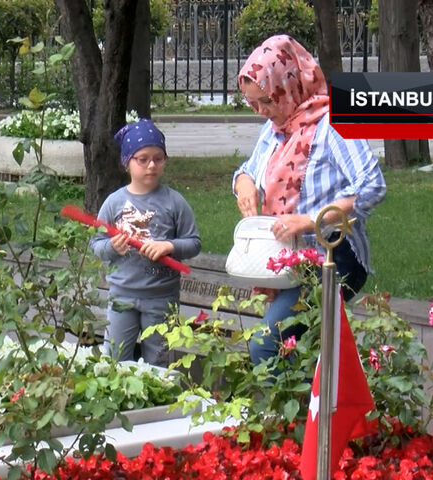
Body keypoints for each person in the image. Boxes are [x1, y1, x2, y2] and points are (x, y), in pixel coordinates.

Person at [232, 35, 387, 365]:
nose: (260, 111)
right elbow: (246, 170)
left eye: (265, 101)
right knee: (291, 351)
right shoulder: (277, 127)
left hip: (331, 255)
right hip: (286, 258)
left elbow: (373, 186)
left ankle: (296, 415)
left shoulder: (333, 124)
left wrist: (310, 221)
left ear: (286, 87)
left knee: (266, 346)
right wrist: (243, 184)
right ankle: (299, 414)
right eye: (252, 103)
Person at [90, 118, 201, 366]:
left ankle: (157, 404)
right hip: (121, 296)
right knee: (115, 361)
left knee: (159, 363)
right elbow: (96, 244)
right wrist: (112, 247)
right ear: (127, 163)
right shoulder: (113, 203)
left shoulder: (175, 202)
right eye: (143, 159)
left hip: (161, 299)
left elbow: (194, 243)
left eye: (158, 158)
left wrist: (169, 246)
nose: (151, 165)